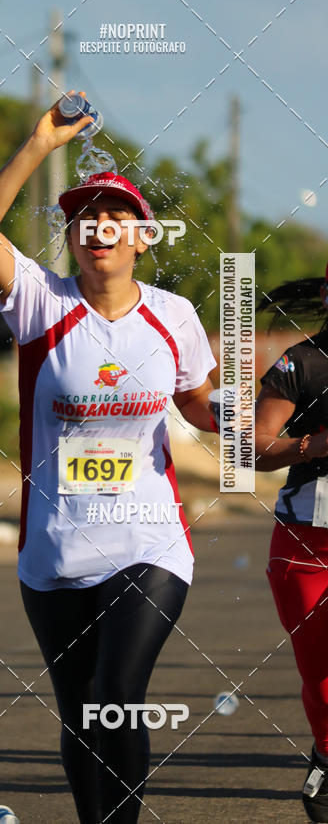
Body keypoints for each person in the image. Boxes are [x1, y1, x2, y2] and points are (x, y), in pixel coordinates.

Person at [0, 92, 217, 823]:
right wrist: (40, 142)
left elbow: (199, 404)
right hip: (54, 545)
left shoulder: (174, 316)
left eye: (115, 216)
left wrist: (247, 419)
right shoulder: (41, 302)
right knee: (78, 712)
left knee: (115, 695)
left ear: (142, 235)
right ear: (72, 235)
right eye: (83, 217)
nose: (98, 226)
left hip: (149, 536)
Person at [255, 268, 328, 823]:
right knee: (323, 677)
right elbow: (254, 449)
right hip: (307, 542)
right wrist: (315, 444)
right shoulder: (300, 363)